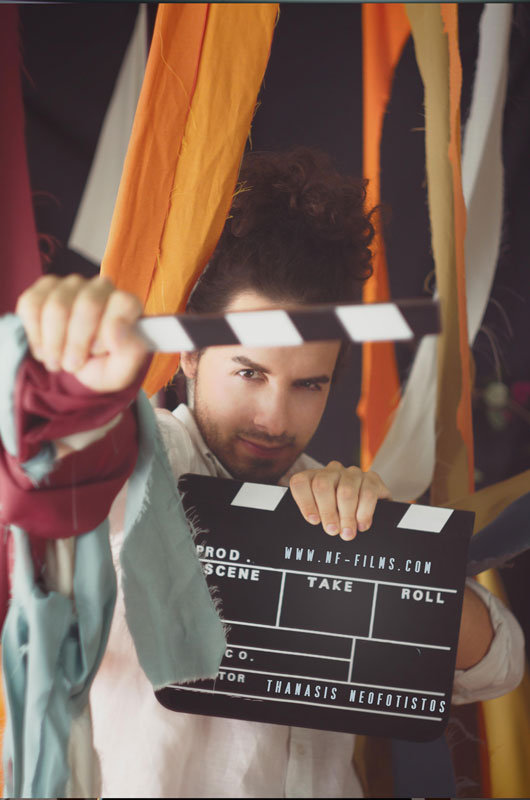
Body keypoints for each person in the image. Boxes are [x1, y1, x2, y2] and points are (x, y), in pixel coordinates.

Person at [14, 149, 524, 797]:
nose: (275, 418)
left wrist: (381, 550)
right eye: (249, 373)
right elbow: (51, 465)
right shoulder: (137, 459)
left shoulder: (340, 500)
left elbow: (499, 663)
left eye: (308, 384)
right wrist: (68, 379)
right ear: (189, 355)